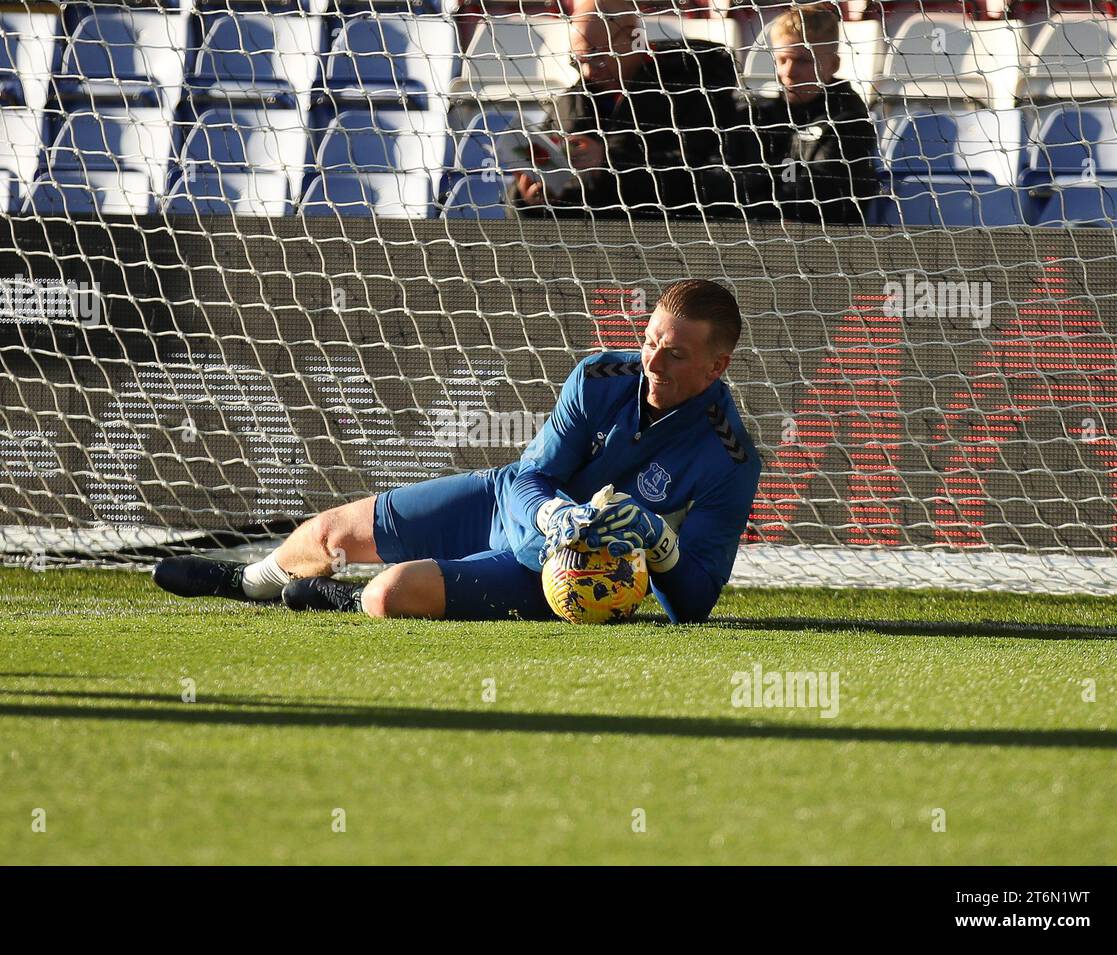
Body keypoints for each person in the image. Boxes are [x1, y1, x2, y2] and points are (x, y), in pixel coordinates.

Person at [153, 279, 761, 624]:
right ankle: (245, 581)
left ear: (717, 366)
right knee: (328, 537)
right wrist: (553, 514)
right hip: (507, 506)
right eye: (651, 340)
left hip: (556, 576)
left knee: (391, 595)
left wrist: (658, 542)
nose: (651, 360)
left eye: (675, 354)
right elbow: (530, 478)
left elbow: (696, 603)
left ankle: (342, 601)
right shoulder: (599, 377)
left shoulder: (729, 458)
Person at [507, 0, 739, 219]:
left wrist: (608, 162)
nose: (587, 73)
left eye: (597, 59)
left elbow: (708, 176)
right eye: (579, 61)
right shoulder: (572, 102)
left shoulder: (691, 87)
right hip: (584, 244)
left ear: (633, 39)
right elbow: (534, 198)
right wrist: (526, 199)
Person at [717, 2, 880, 224]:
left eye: (803, 60)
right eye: (782, 60)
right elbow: (722, 183)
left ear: (833, 64)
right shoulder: (755, 117)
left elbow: (815, 198)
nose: (789, 71)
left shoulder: (849, 122)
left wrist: (759, 186)